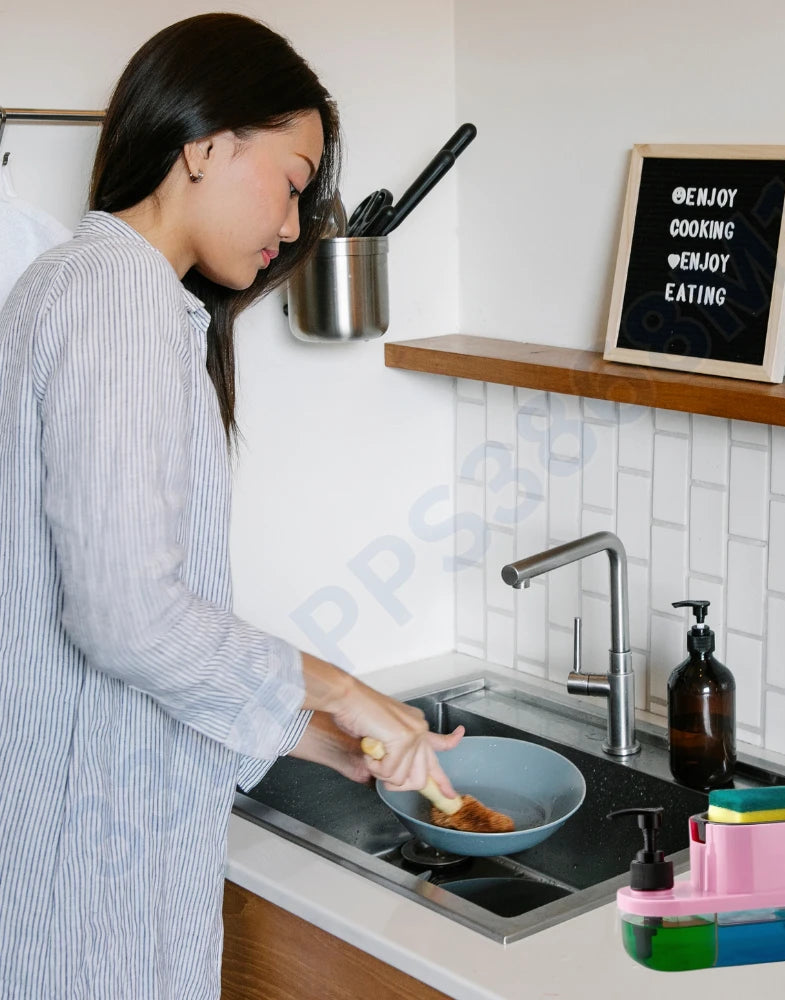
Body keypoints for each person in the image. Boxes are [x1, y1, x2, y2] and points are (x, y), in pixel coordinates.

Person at [0, 13, 462, 999]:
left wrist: (312, 735)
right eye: (293, 182)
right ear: (206, 143)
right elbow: (125, 613)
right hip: (83, 895)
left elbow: (137, 649)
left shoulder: (119, 299)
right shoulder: (106, 298)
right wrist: (336, 686)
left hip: (100, 869)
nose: (295, 226)